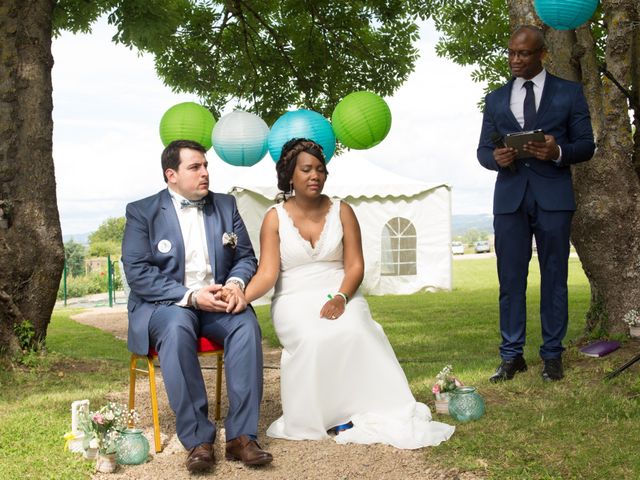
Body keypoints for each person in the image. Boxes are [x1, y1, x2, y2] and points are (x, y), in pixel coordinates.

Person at [244, 138, 455, 449]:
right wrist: (240, 297)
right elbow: (267, 273)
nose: (315, 175)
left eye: (320, 169)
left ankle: (362, 409)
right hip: (293, 296)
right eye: (306, 169)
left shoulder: (343, 210)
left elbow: (356, 265)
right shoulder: (274, 217)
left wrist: (341, 298)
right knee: (314, 338)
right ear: (290, 175)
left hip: (340, 290)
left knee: (357, 329)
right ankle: (321, 414)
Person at [121, 139, 273, 473]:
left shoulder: (226, 205)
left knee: (246, 322)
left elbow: (245, 257)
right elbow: (138, 274)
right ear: (171, 174)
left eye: (206, 166)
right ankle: (198, 439)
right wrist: (191, 296)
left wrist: (235, 286)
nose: (205, 173)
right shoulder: (141, 212)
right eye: (195, 167)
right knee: (176, 328)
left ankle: (241, 437)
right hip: (168, 305)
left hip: (217, 303)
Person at [477, 26, 595, 383]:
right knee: (510, 280)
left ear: (542, 54)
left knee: (555, 278)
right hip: (510, 199)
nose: (515, 59)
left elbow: (586, 145)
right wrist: (496, 157)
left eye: (523, 54)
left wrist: (557, 151)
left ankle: (552, 356)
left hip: (554, 198)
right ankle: (511, 357)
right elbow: (482, 151)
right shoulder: (495, 99)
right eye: (511, 52)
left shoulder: (570, 93)